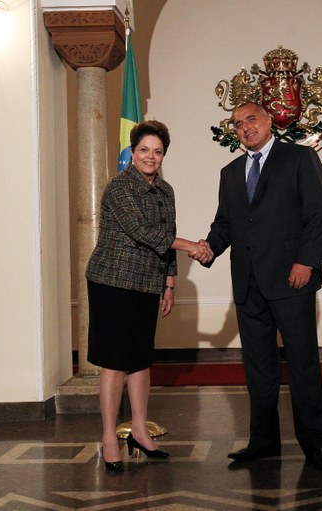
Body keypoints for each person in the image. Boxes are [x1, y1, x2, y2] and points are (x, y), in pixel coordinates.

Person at [202, 102, 322, 470]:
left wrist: (307, 261)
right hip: (248, 285)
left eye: (251, 119)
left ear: (269, 121)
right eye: (237, 123)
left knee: (303, 365)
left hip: (293, 280)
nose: (244, 127)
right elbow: (226, 224)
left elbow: (320, 212)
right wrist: (208, 248)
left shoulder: (299, 158)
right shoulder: (230, 173)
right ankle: (263, 441)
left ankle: (315, 445)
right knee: (258, 367)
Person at [86, 120, 212, 473]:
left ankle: (139, 429)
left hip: (146, 283)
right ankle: (110, 436)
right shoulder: (120, 187)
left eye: (157, 151)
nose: (151, 156)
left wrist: (170, 284)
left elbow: (165, 241)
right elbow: (143, 232)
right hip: (112, 281)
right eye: (144, 150)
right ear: (133, 151)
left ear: (163, 155)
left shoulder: (166, 191)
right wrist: (193, 246)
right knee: (114, 361)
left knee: (140, 359)